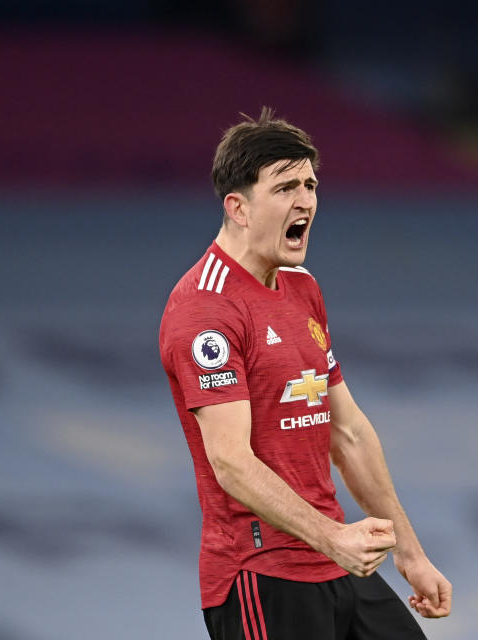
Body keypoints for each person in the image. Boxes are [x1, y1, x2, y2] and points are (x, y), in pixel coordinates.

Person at [159, 107, 451, 640]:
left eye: (311, 184)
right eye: (285, 186)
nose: (306, 201)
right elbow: (230, 463)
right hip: (260, 574)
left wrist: (411, 555)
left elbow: (349, 431)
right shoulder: (204, 310)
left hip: (333, 561)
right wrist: (332, 538)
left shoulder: (301, 287)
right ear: (238, 208)